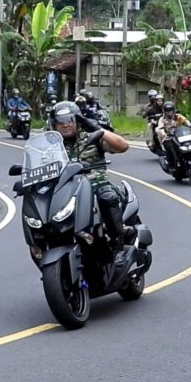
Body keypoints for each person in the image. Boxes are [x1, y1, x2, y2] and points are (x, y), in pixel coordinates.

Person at [51, 101, 132, 268]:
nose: (66, 125)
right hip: (64, 190)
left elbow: (123, 146)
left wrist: (99, 130)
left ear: (78, 121)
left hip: (96, 185)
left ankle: (118, 247)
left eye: (70, 120)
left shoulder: (91, 137)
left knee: (106, 197)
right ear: (54, 124)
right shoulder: (51, 145)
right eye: (61, 121)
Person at [156, 101, 191, 170]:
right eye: (167, 111)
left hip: (180, 136)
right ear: (164, 111)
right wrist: (163, 132)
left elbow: (186, 121)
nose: (169, 112)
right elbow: (160, 127)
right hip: (168, 137)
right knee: (169, 147)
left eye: (171, 110)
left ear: (173, 110)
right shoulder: (162, 119)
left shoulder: (178, 116)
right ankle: (171, 163)